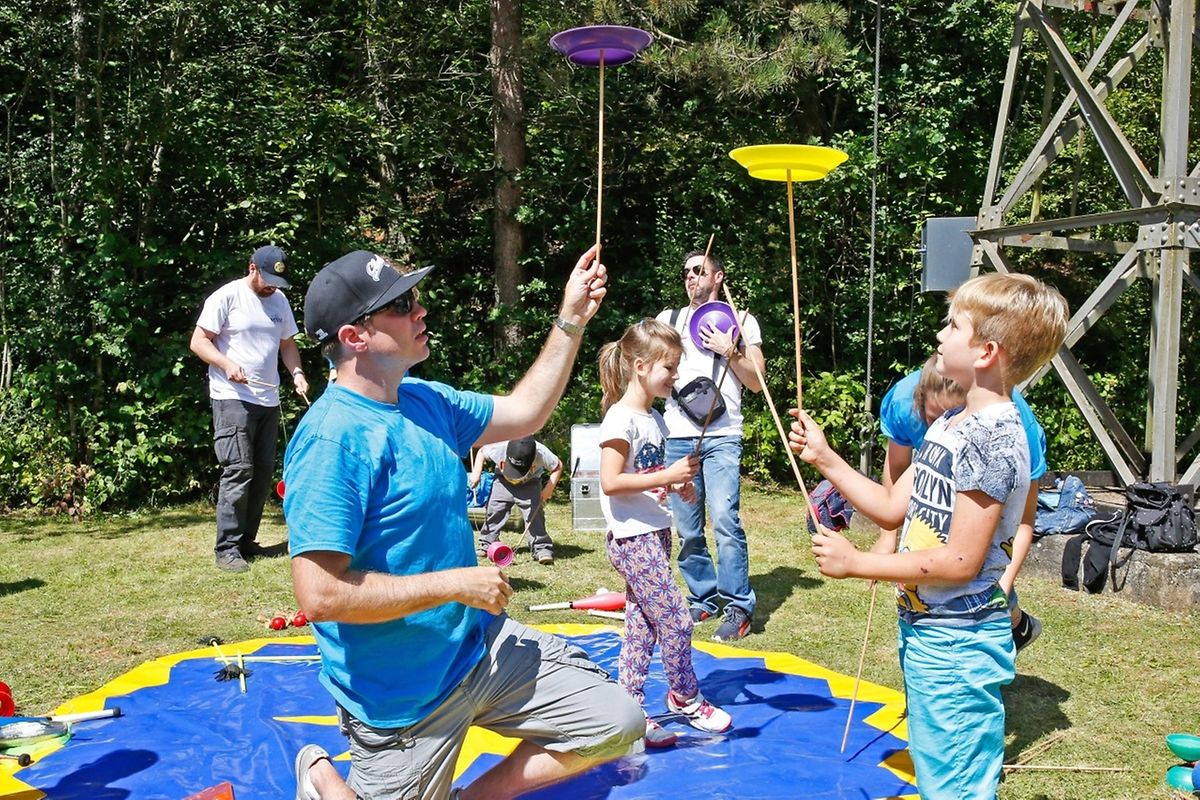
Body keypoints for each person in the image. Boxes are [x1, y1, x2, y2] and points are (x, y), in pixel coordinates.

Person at [283, 246, 643, 800]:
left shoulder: (426, 401)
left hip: (476, 649)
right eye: (402, 304)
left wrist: (571, 319)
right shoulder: (332, 440)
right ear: (355, 337)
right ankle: (321, 774)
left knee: (616, 722)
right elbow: (322, 596)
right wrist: (456, 583)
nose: (420, 310)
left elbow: (527, 411)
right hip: (402, 696)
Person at [788, 272, 1068, 799]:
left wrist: (857, 564)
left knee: (955, 784)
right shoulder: (950, 422)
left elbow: (961, 561)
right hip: (926, 627)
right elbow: (894, 508)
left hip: (958, 641)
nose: (939, 334)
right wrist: (825, 458)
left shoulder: (993, 440)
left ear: (986, 351)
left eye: (952, 325)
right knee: (939, 766)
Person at [597, 318, 733, 747]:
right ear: (640, 365)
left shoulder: (653, 417)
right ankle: (684, 696)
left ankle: (629, 710)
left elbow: (646, 473)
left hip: (654, 533)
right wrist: (669, 473)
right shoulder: (620, 419)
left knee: (643, 625)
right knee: (677, 619)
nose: (675, 377)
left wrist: (675, 482)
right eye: (669, 368)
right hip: (632, 538)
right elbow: (611, 481)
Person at [880, 355, 1048, 653]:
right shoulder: (904, 404)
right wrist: (887, 538)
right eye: (931, 420)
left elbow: (1023, 522)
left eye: (948, 418)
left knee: (984, 575)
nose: (939, 427)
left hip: (988, 500)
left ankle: (1017, 624)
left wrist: (1002, 587)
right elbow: (897, 473)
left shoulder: (1011, 433)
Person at [655, 250, 765, 642]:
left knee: (724, 519)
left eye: (698, 271)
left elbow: (756, 383)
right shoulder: (669, 320)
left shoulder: (742, 319)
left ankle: (738, 605)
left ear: (718, 277)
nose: (690, 277)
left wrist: (730, 350)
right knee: (686, 526)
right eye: (685, 271)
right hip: (678, 433)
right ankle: (703, 596)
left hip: (723, 435)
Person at [189, 245, 309, 573]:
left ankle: (246, 542)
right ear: (252, 268)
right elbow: (199, 342)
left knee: (260, 474)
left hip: (268, 400)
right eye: (268, 279)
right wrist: (226, 363)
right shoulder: (226, 297)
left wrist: (296, 373)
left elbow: (287, 343)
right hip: (232, 397)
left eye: (277, 282)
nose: (272, 287)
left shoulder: (280, 302)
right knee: (238, 470)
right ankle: (226, 548)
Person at [468, 436, 563, 564]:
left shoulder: (541, 452)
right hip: (503, 482)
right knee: (494, 510)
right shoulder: (498, 447)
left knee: (534, 516)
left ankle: (541, 548)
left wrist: (548, 489)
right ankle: (487, 543)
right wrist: (476, 473)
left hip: (530, 483)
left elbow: (557, 466)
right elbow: (481, 452)